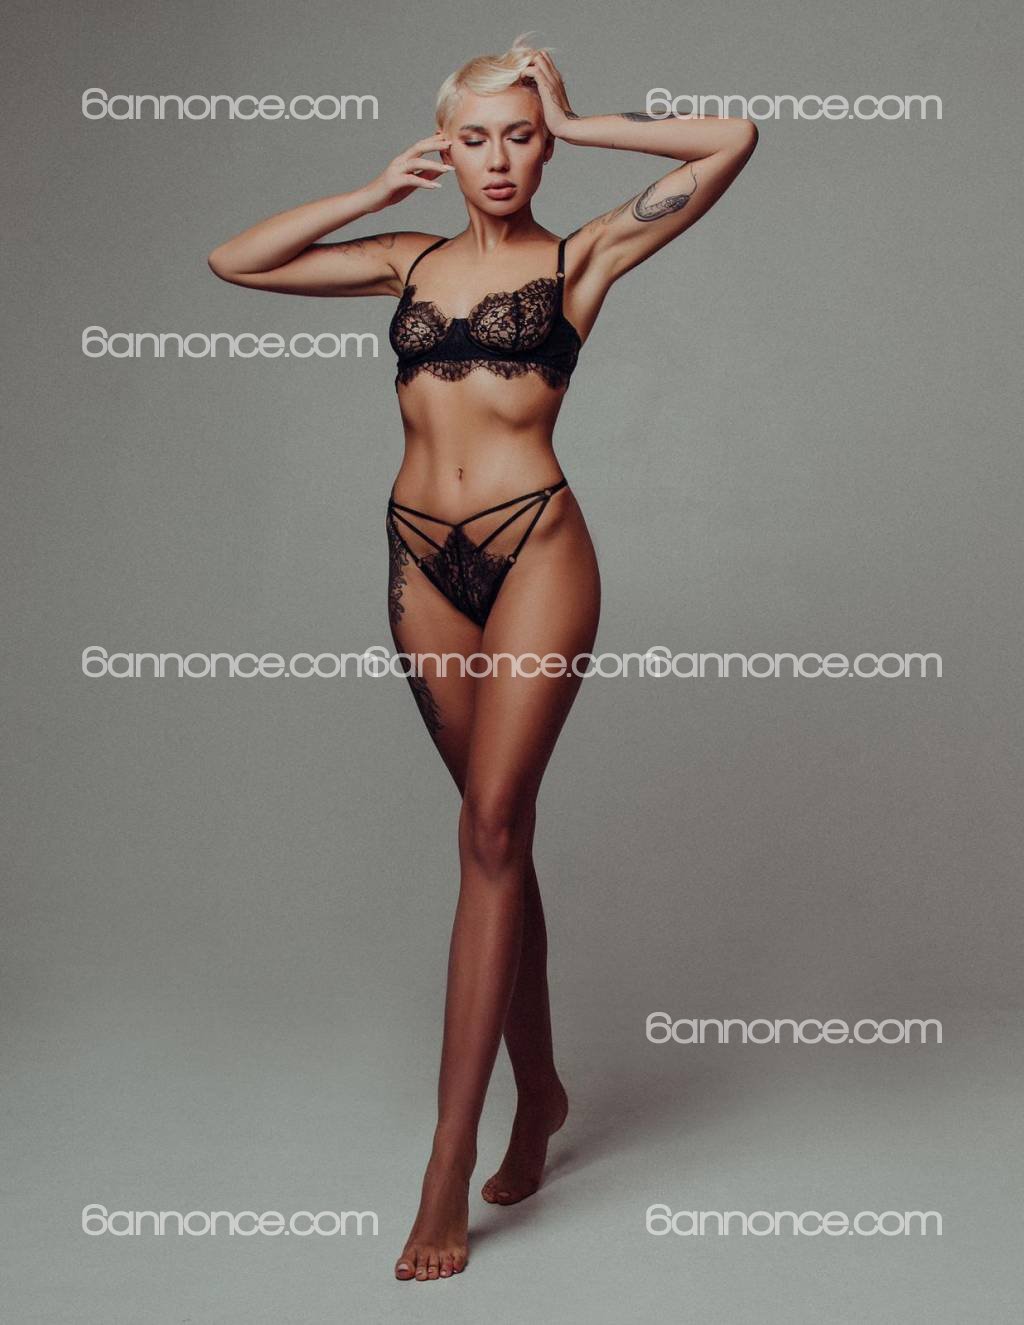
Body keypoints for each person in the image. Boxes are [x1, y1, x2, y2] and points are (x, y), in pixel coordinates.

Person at [207, 34, 757, 1283]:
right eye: (476, 136)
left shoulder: (582, 257)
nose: (499, 157)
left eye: (521, 134)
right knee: (492, 833)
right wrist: (369, 191)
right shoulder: (404, 260)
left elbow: (731, 138)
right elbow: (236, 259)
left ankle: (446, 1161)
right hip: (419, 561)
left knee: (494, 823)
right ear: (444, 148)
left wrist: (585, 114)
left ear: (542, 147)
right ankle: (543, 1089)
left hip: (534, 551)